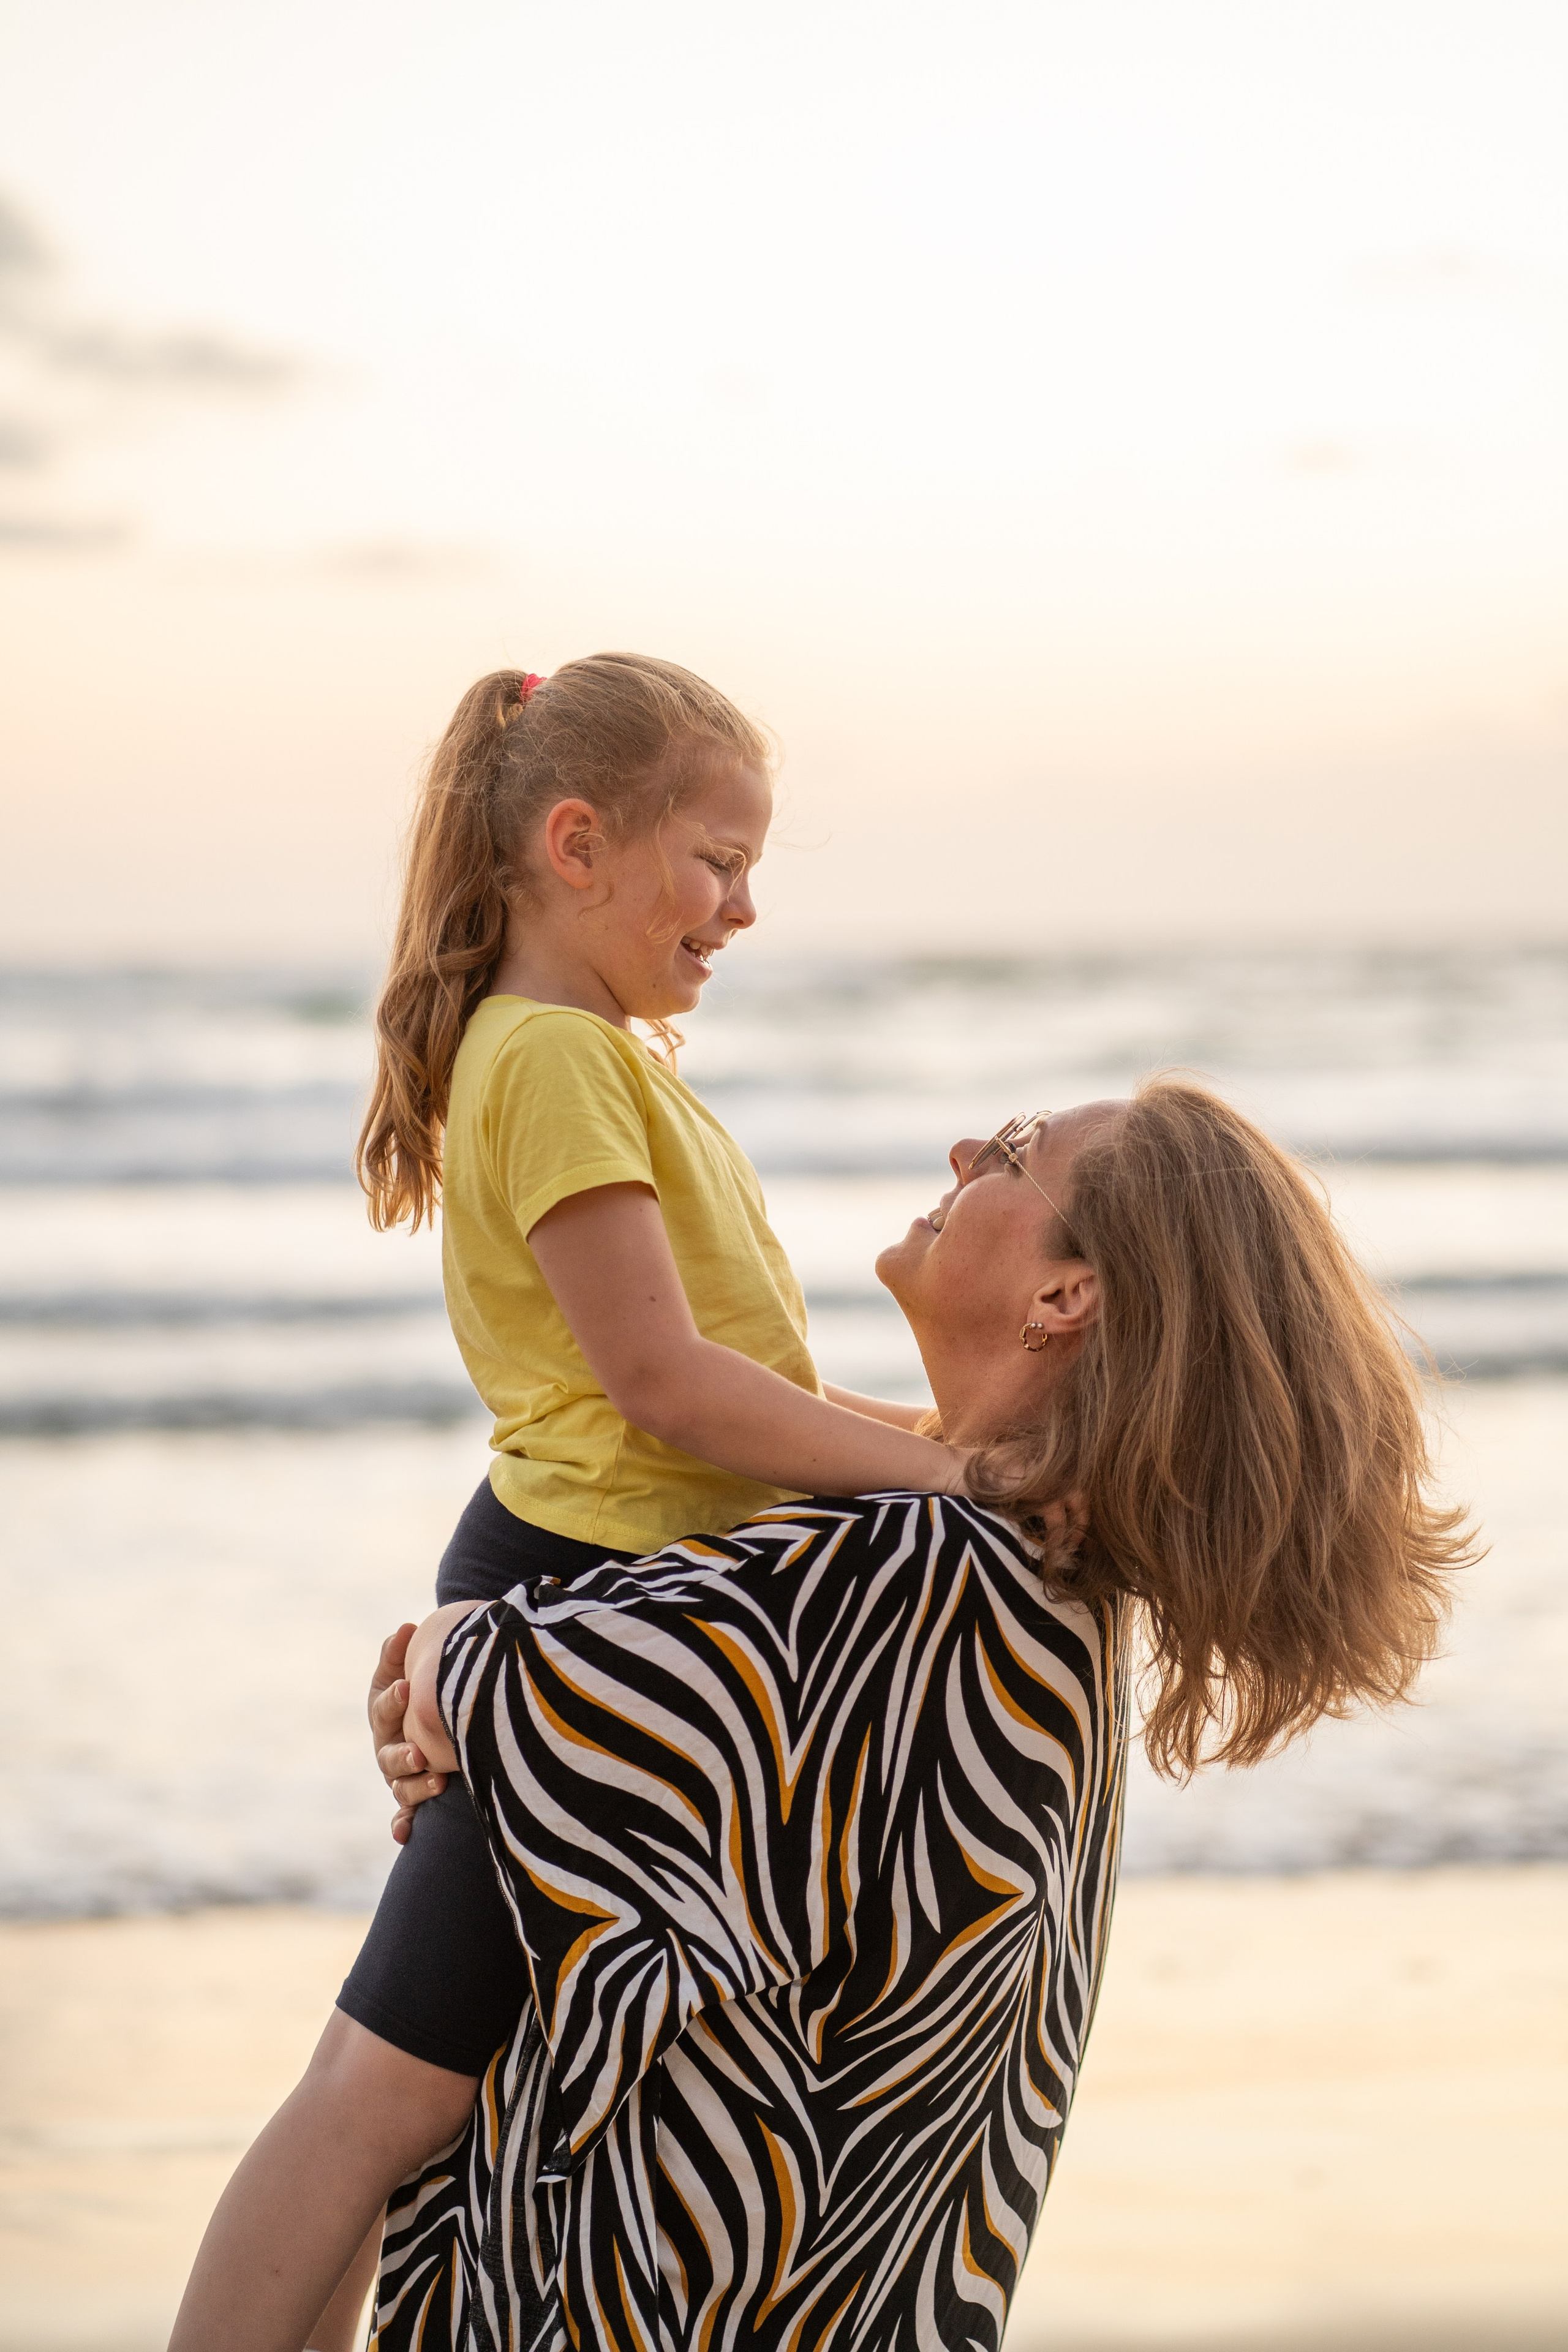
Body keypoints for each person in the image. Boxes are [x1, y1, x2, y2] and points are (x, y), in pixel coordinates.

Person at [347, 1084, 1473, 2350]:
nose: (959, 1150)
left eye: (1009, 1154)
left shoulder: (913, 1572)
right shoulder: (1050, 1581)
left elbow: (508, 1694)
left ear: (1063, 1298)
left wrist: (444, 1641)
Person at [168, 654, 967, 2352]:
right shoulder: (552, 1061)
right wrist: (951, 1468)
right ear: (580, 842)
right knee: (378, 2095)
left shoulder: (601, 1053)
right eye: (720, 860)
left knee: (427, 2104)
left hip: (605, 1593)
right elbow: (664, 1392)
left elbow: (747, 1393)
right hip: (569, 1601)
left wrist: (954, 1445)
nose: (743, 908)